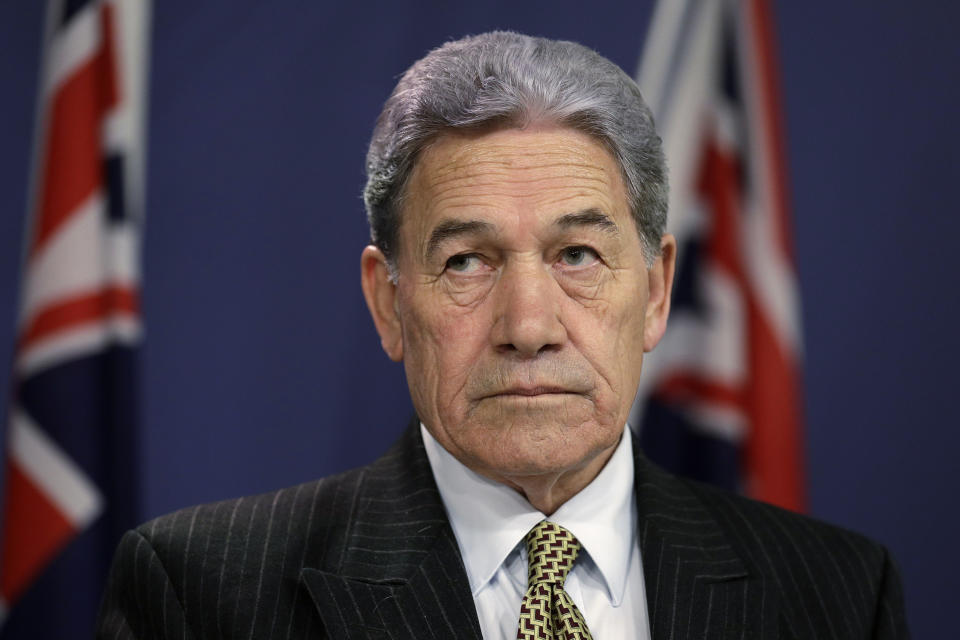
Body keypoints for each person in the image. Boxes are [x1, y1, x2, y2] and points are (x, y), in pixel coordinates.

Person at [96, 32, 909, 639]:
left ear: (657, 291)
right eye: (467, 261)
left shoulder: (837, 594)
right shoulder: (200, 595)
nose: (528, 327)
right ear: (388, 302)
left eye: (578, 255)